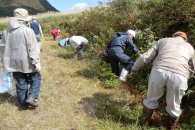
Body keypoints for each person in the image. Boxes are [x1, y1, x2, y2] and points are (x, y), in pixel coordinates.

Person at [131, 31, 195, 129]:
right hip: (180, 75)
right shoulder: (190, 47)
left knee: (151, 99)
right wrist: (186, 77)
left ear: (173, 36)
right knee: (174, 106)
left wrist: (134, 68)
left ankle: (142, 126)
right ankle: (169, 128)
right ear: (185, 39)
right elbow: (192, 68)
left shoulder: (163, 41)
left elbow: (146, 57)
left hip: (159, 71)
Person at [0, 8, 41, 109]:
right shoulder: (28, 31)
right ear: (25, 20)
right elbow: (33, 48)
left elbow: (2, 47)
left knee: (20, 83)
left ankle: (23, 105)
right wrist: (36, 62)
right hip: (28, 61)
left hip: (12, 63)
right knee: (36, 79)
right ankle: (31, 97)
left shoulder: (6, 31)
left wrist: (4, 61)